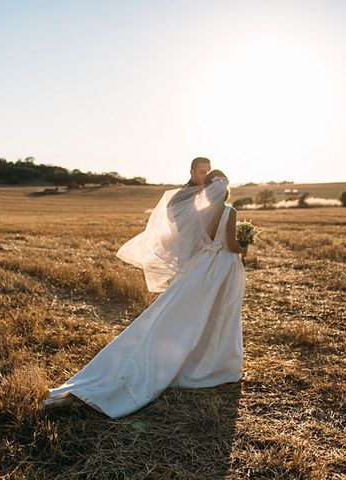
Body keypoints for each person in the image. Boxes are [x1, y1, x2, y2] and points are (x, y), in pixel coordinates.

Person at [42, 170, 248, 418]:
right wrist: (246, 243)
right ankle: (212, 366)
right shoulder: (229, 211)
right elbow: (231, 244)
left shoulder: (201, 210)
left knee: (185, 313)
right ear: (226, 188)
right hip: (223, 266)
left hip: (201, 266)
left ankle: (185, 359)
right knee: (220, 313)